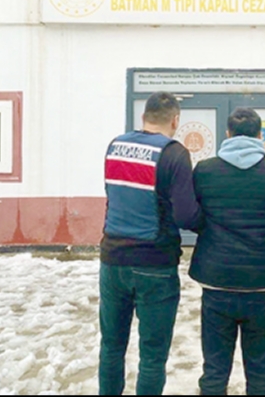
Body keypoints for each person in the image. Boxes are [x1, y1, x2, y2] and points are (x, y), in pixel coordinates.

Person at [99, 91, 201, 396]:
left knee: (111, 346)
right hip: (154, 264)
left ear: (143, 117)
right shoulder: (174, 154)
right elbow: (186, 215)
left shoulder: (115, 147)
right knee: (153, 356)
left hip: (112, 260)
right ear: (175, 120)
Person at [188, 107, 265, 395]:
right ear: (260, 136)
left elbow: (193, 215)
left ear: (228, 134)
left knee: (214, 370)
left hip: (216, 280)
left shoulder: (205, 170)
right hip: (262, 282)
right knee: (260, 370)